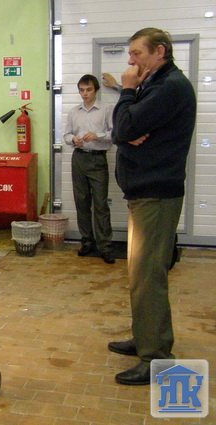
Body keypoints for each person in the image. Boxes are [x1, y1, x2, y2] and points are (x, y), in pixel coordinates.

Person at [108, 28, 196, 385]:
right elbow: (123, 130)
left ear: (159, 51)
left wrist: (127, 91)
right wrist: (127, 132)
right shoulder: (156, 84)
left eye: (137, 53)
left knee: (148, 277)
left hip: (156, 195)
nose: (130, 61)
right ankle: (145, 337)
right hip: (146, 194)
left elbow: (123, 126)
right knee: (139, 275)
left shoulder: (169, 87)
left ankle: (156, 356)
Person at [63, 74, 115, 264]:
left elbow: (114, 133)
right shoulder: (73, 112)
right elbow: (66, 135)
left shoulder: (106, 109)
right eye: (82, 90)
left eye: (89, 90)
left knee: (100, 204)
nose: (85, 94)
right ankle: (87, 241)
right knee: (82, 202)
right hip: (79, 158)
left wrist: (98, 136)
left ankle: (105, 246)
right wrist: (73, 139)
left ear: (96, 90)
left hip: (97, 159)